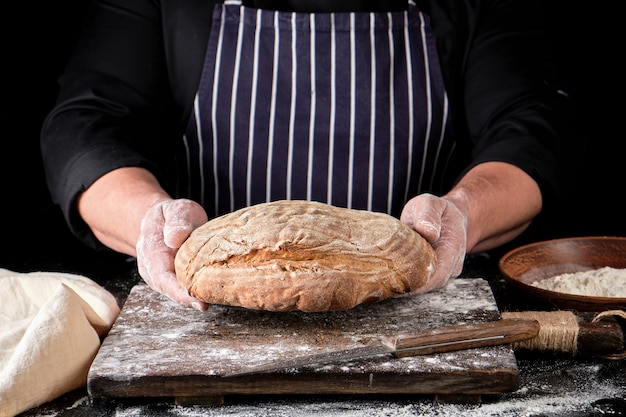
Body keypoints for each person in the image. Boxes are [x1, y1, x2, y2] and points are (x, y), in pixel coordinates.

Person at [41, 0, 580, 311]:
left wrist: (464, 214)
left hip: (419, 313)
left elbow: (532, 125)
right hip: (211, 320)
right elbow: (87, 120)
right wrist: (149, 220)